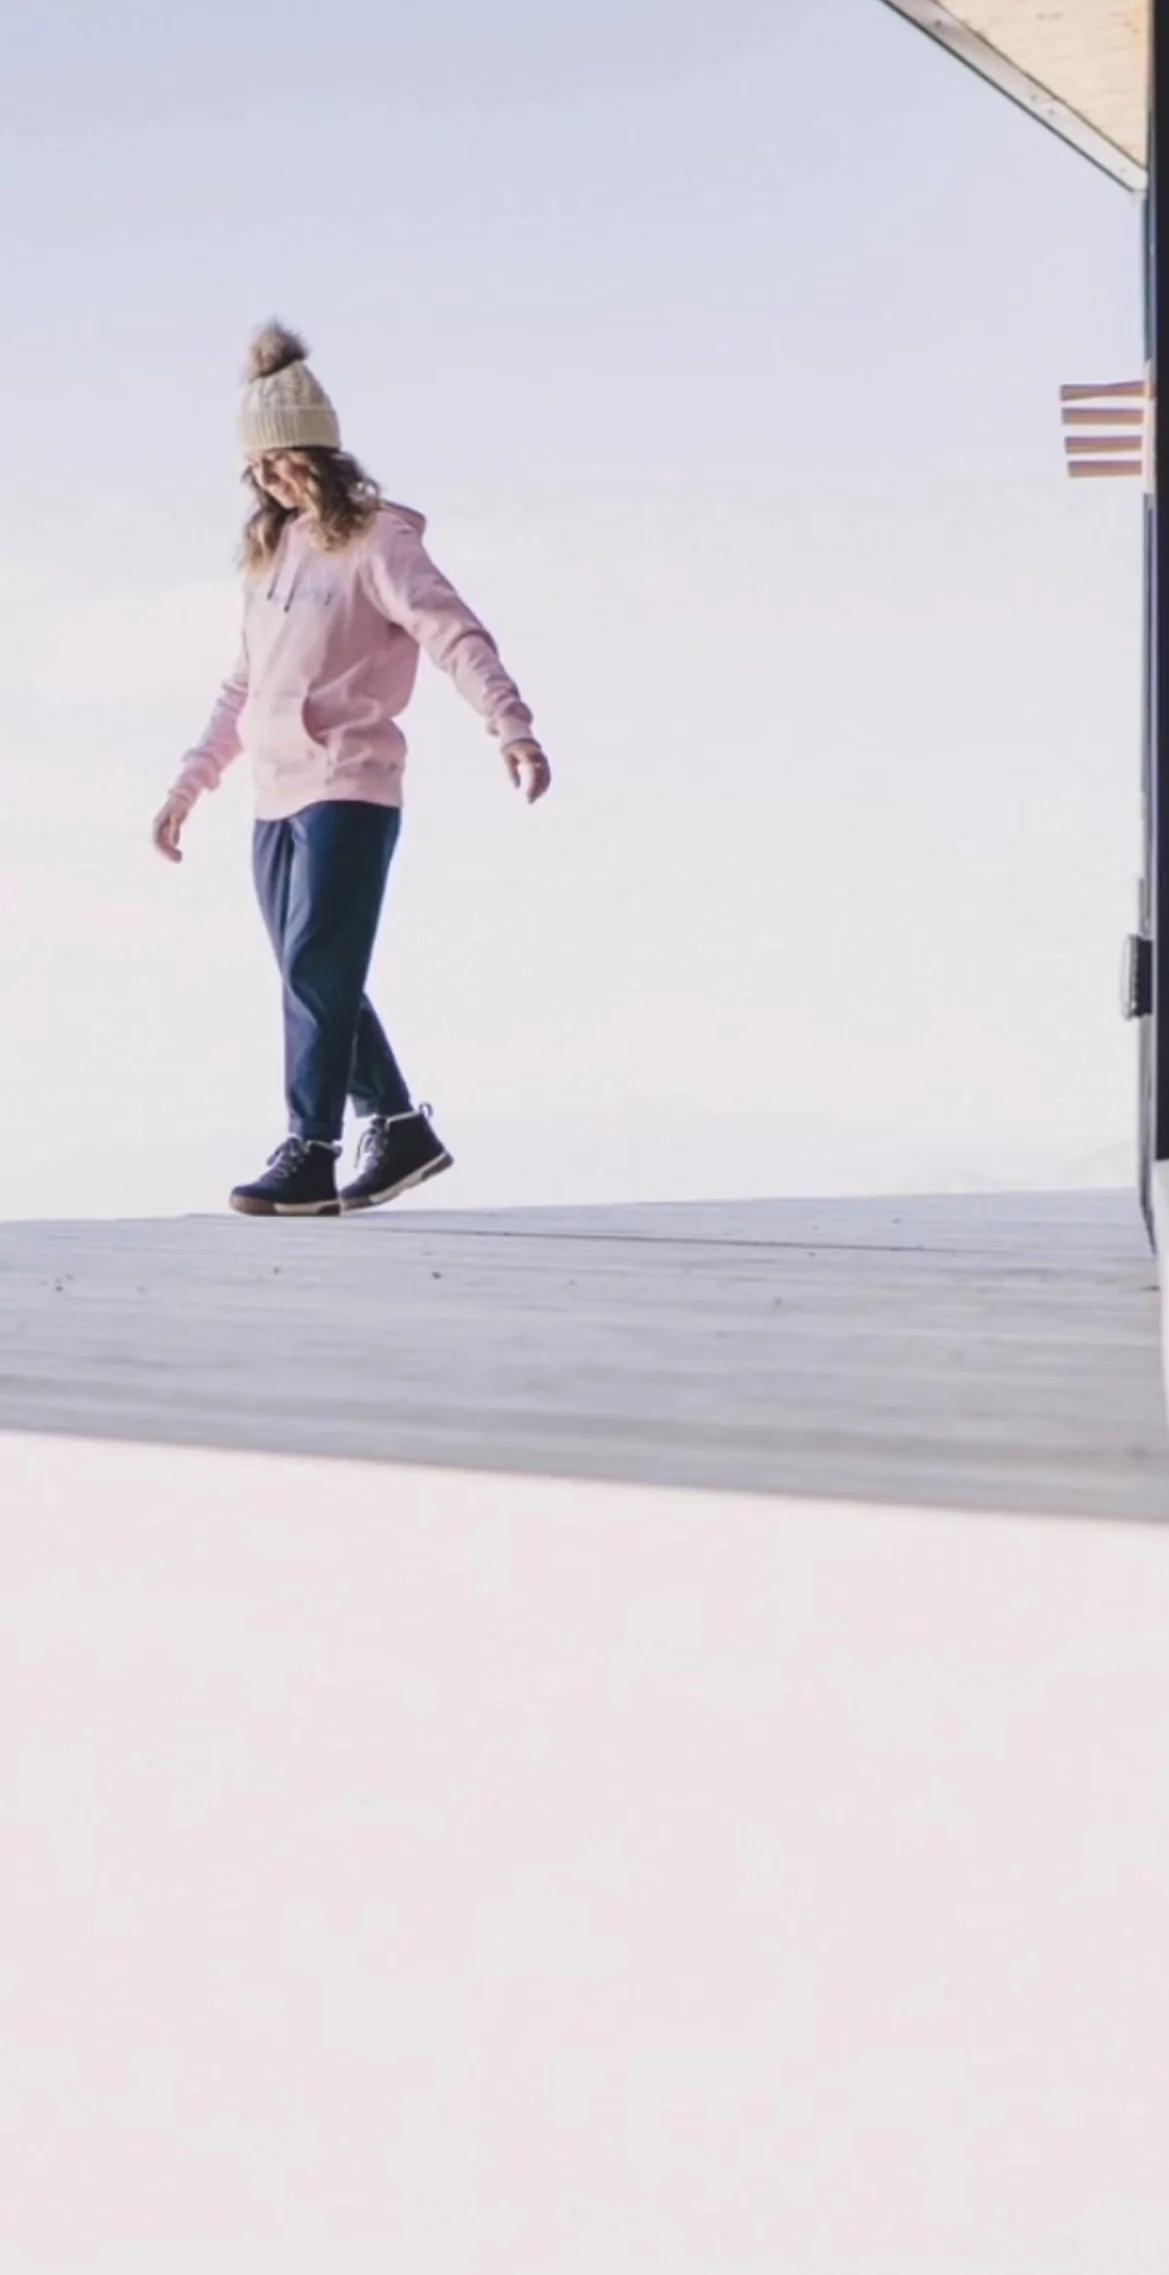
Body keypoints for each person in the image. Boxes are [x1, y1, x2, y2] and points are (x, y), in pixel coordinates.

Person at [152, 321, 550, 1219]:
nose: (268, 479)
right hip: (273, 797)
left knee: (315, 971)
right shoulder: (268, 559)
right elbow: (243, 686)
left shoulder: (378, 542)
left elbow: (454, 633)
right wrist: (187, 786)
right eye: (254, 468)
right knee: (315, 974)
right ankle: (400, 1128)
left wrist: (510, 726)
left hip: (348, 786)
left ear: (319, 453)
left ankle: (312, 1150)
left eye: (280, 460)